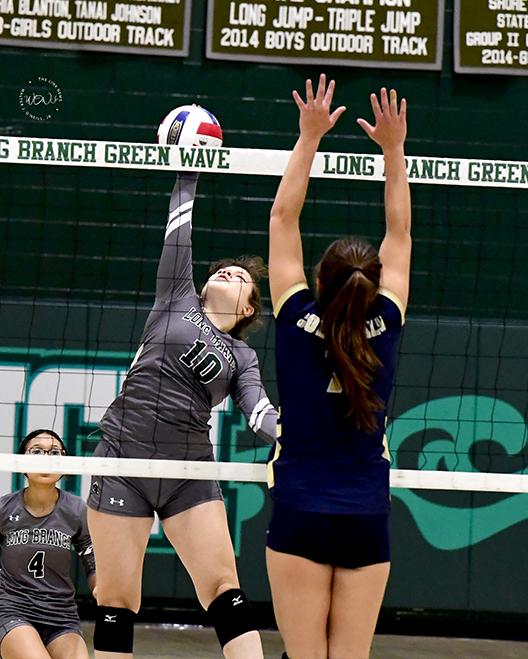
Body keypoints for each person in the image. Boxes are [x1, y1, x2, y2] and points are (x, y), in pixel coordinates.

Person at [87, 172, 277, 659]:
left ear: (250, 308)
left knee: (222, 584)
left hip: (186, 470)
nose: (227, 273)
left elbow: (257, 412)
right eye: (223, 270)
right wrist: (187, 170)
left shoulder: (241, 357)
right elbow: (178, 230)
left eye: (241, 278)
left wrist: (289, 434)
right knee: (117, 599)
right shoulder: (177, 297)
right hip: (122, 461)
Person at [265, 75, 411, 659]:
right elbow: (399, 231)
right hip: (364, 514)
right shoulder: (389, 321)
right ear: (374, 286)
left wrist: (309, 138)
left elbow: (282, 219)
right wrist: (394, 151)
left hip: (300, 507)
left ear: (319, 281)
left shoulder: (294, 315)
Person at [0, 429, 97, 659]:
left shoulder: (77, 511)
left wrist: (103, 591)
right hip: (14, 611)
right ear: (22, 462)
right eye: (37, 451)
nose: (46, 458)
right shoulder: (3, 510)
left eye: (55, 452)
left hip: (62, 617)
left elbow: (93, 564)